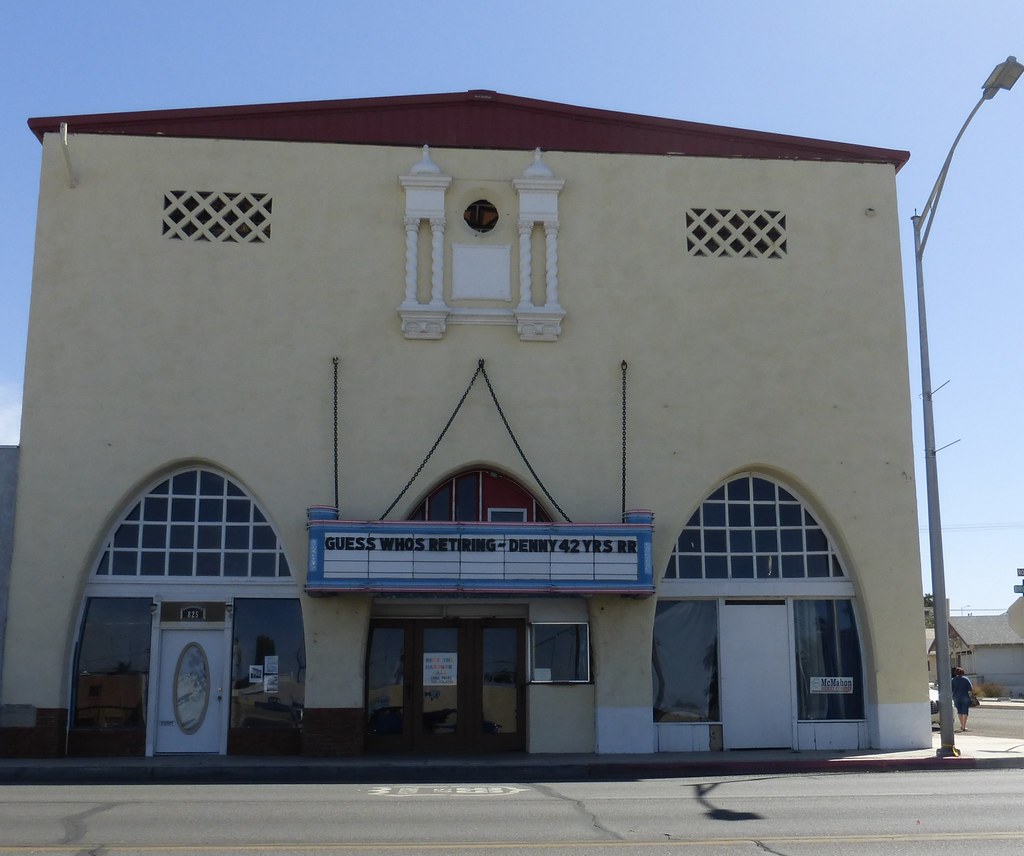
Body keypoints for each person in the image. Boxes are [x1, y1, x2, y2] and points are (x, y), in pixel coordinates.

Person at [951, 666, 974, 732]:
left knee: (959, 711)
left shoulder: (953, 680)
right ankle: (964, 726)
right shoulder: (966, 679)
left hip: (956, 697)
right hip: (965, 697)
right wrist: (971, 696)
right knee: (965, 711)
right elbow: (970, 690)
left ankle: (961, 725)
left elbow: (951, 689)